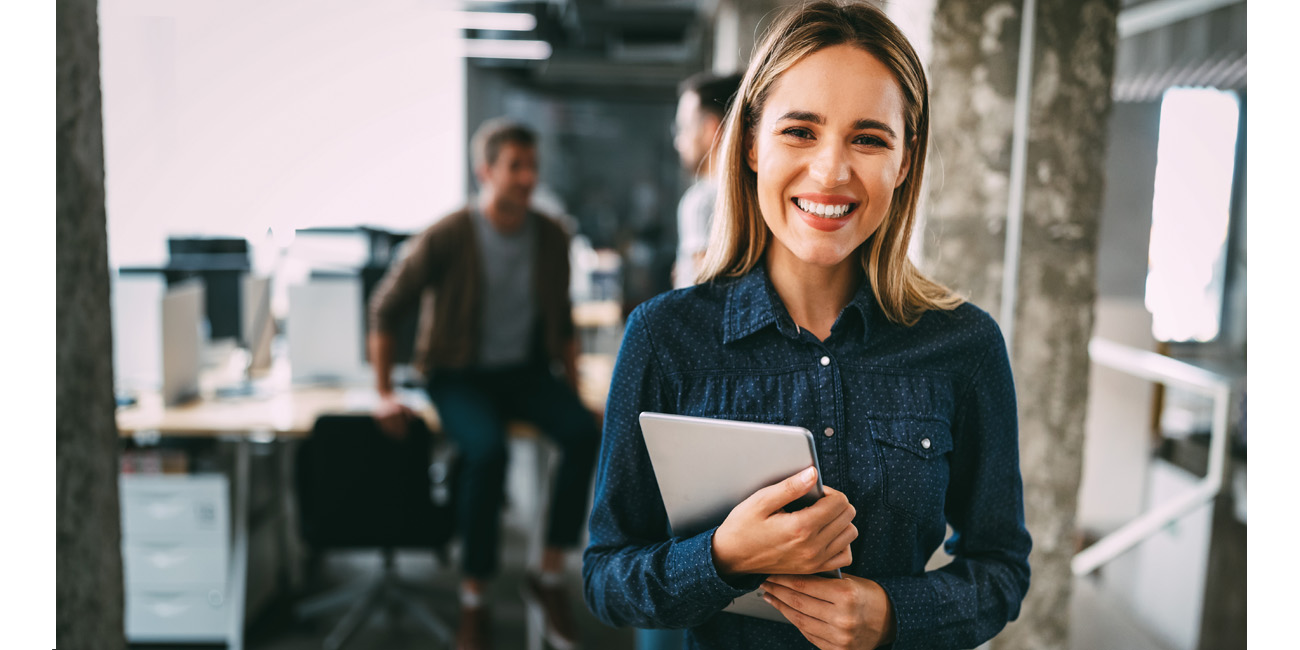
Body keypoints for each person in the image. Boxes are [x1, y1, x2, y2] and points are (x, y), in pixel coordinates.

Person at [582, 2, 1032, 649]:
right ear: (751, 146)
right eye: (800, 131)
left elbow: (1001, 570)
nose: (830, 172)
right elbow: (606, 578)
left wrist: (894, 613)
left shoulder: (963, 345)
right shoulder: (664, 336)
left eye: (869, 138)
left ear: (904, 162)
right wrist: (720, 557)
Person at [370, 118, 599, 650]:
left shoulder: (550, 236)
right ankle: (474, 598)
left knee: (584, 434)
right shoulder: (449, 234)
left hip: (524, 372)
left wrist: (573, 392)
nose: (527, 178)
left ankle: (546, 578)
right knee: (487, 452)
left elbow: (561, 323)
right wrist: (384, 392)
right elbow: (386, 307)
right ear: (485, 171)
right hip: (456, 374)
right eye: (515, 166)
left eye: (532, 167)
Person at [672, 70, 744, 290]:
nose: (678, 141)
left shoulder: (701, 201)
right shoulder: (752, 194)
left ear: (711, 128)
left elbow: (703, 289)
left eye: (683, 128)